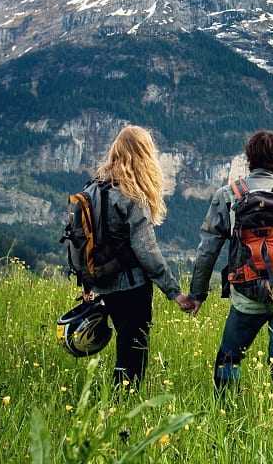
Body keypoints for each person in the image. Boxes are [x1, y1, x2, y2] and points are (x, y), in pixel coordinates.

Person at [186, 130, 273, 398]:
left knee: (229, 358)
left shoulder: (228, 196)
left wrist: (197, 294)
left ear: (249, 159)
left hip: (245, 297)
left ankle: (226, 410)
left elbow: (207, 251)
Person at [85, 125, 196, 386]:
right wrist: (174, 292)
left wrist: (88, 283)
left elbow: (84, 238)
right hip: (130, 286)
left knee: (124, 345)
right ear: (145, 156)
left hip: (102, 282)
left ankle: (116, 401)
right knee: (133, 351)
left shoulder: (93, 189)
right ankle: (123, 405)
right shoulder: (132, 197)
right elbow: (147, 251)